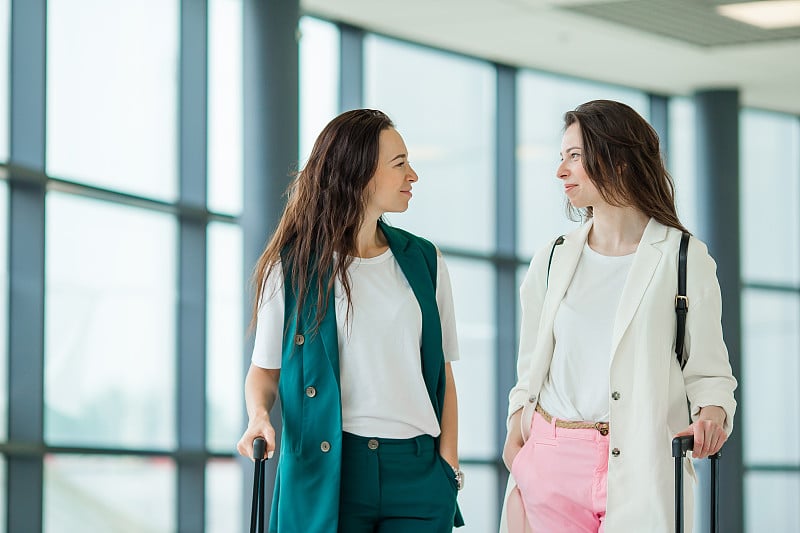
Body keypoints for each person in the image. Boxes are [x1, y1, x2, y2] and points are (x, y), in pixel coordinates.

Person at [499, 100, 737, 533]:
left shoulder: (683, 258)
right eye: (561, 157)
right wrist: (519, 421)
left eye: (575, 156)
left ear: (619, 160)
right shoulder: (552, 259)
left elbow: (709, 371)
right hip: (551, 459)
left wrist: (713, 414)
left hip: (640, 459)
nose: (561, 171)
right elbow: (531, 361)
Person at [236, 109, 465, 533]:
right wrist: (258, 416)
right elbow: (264, 371)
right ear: (358, 173)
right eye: (399, 164)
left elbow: (443, 373)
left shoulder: (425, 261)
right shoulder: (290, 269)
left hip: (418, 473)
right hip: (329, 470)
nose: (412, 175)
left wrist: (448, 464)